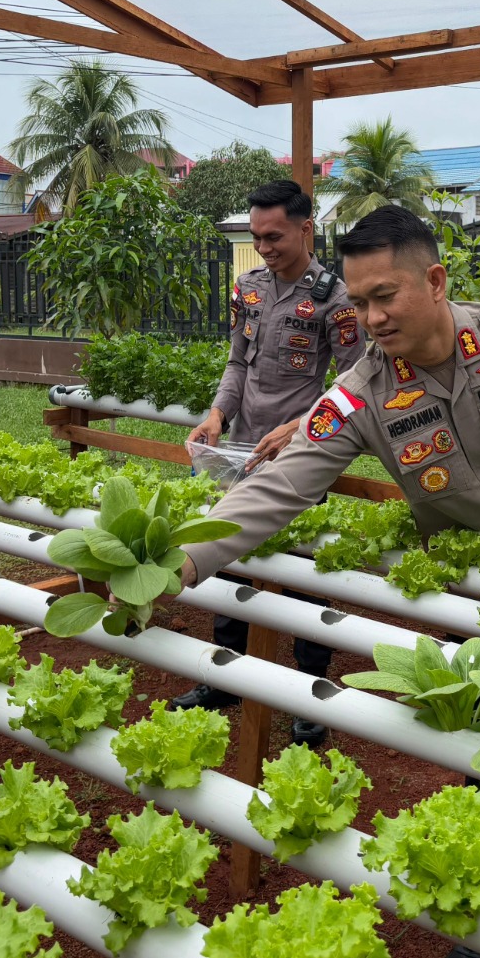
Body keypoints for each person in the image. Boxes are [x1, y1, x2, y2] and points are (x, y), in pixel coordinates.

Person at [175, 206, 480, 958]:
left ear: (435, 280)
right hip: (475, 592)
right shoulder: (360, 391)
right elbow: (280, 487)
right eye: (359, 302)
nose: (369, 318)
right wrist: (180, 561)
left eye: (384, 296)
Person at [173, 179, 364, 744]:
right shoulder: (249, 288)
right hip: (239, 451)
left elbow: (355, 383)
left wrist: (302, 427)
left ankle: (312, 692)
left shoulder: (337, 298)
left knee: (303, 572)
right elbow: (238, 363)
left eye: (274, 235)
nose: (264, 247)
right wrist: (215, 413)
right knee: (226, 559)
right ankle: (226, 675)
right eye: (257, 237)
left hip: (305, 453)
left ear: (306, 228)